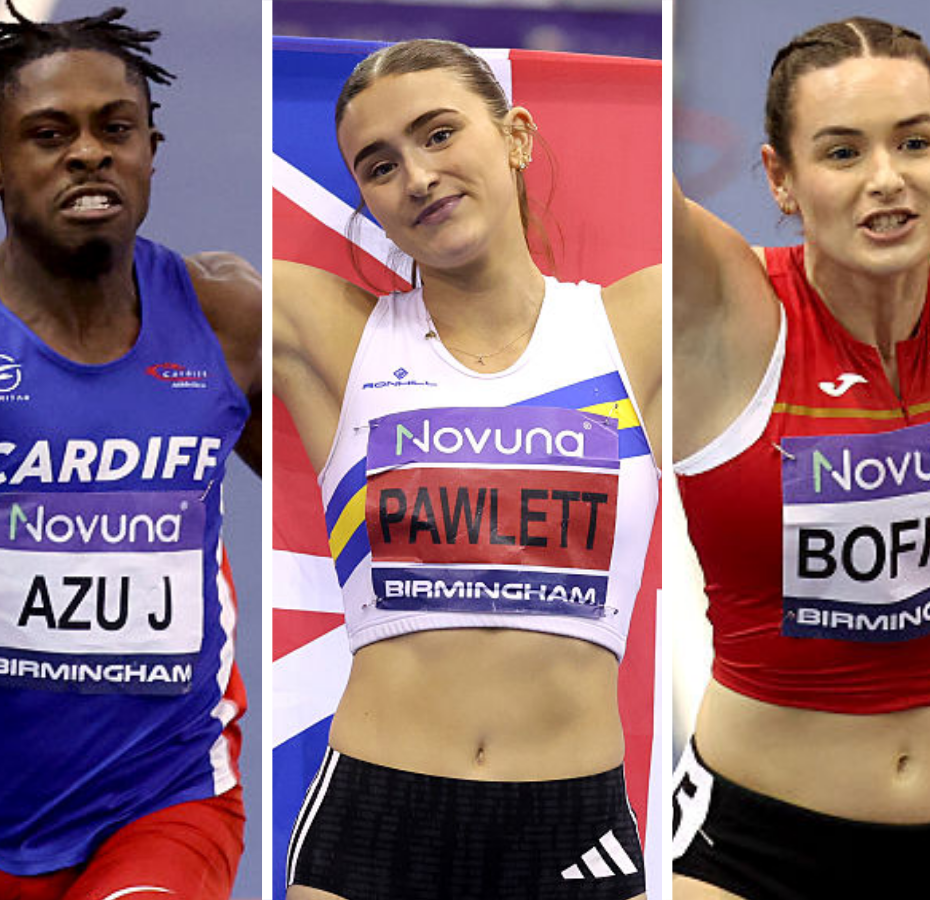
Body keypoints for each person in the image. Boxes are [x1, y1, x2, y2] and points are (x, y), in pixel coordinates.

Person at [0, 3, 262, 899]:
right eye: (50, 135)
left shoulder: (227, 319)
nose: (89, 153)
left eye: (114, 129)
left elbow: (331, 488)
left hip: (170, 794)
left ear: (150, 150)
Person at [669, 16, 930, 899]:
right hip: (754, 857)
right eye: (842, 153)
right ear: (782, 178)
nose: (887, 180)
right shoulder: (726, 313)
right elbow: (597, 168)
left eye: (914, 142)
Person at [274, 38, 660, 900]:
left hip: (575, 829)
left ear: (516, 135)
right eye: (379, 166)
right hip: (375, 825)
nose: (415, 177)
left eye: (439, 134)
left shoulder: (640, 329)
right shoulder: (328, 330)